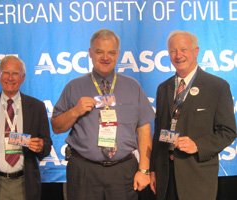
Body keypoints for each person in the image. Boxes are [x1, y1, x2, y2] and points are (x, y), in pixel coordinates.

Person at [51, 28, 155, 200]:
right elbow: (56, 127)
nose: (105, 57)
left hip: (123, 171)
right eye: (99, 52)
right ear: (90, 53)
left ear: (118, 54)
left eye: (111, 52)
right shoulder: (73, 86)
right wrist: (75, 111)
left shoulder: (133, 86)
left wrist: (144, 170)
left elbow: (144, 130)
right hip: (84, 171)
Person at [150, 30, 236, 200]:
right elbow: (159, 132)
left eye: (183, 49)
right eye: (173, 51)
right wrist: (153, 169)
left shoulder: (217, 87)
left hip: (197, 178)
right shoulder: (163, 88)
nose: (178, 55)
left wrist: (198, 145)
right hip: (166, 178)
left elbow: (228, 131)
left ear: (196, 52)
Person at [0, 55, 52, 200]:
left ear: (23, 78)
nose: (10, 78)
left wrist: (41, 147)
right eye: (6, 72)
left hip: (25, 184)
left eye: (15, 73)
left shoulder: (37, 107)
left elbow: (46, 146)